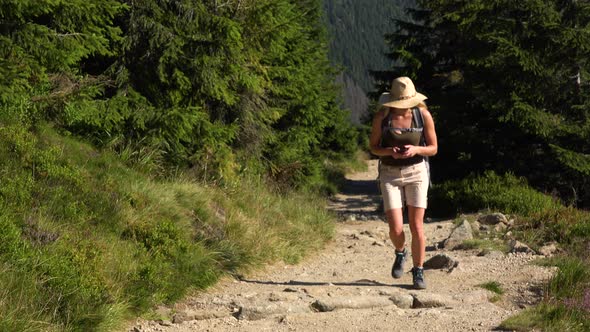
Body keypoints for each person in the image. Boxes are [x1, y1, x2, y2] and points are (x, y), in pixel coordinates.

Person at [369, 76, 438, 289]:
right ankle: (401, 251)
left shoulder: (423, 115)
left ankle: (418, 271)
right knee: (396, 228)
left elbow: (433, 148)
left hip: (417, 172)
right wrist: (390, 152)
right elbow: (373, 147)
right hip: (390, 173)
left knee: (417, 226)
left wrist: (416, 149)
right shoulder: (382, 117)